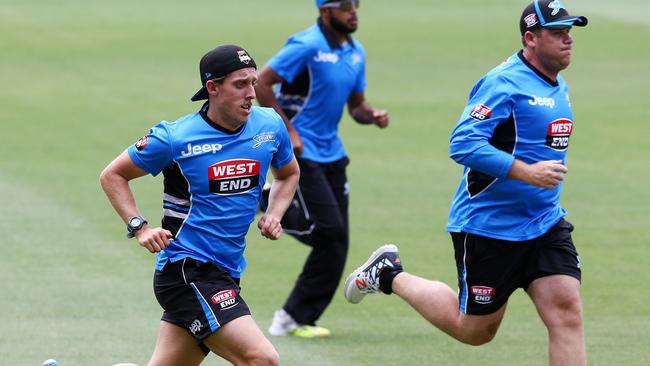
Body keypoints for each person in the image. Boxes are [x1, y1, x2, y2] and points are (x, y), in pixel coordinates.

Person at [343, 1, 588, 365]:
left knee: (567, 314)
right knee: (475, 331)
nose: (568, 40)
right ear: (530, 38)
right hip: (490, 228)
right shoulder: (503, 83)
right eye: (557, 33)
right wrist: (525, 172)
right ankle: (388, 273)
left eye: (569, 32)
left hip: (543, 223)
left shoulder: (557, 83)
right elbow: (463, 143)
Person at [99, 44, 300, 366]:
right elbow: (113, 175)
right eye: (240, 84)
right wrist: (139, 227)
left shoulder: (269, 126)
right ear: (212, 87)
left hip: (226, 270)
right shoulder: (176, 138)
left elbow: (288, 174)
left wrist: (274, 214)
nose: (251, 93)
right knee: (262, 359)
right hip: (187, 271)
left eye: (253, 82)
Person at [254, 0, 389, 338]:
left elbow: (355, 106)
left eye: (356, 4)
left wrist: (371, 115)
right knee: (329, 232)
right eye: (345, 5)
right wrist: (289, 130)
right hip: (301, 153)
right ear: (325, 11)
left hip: (332, 153)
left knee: (336, 241)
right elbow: (260, 83)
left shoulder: (356, 52)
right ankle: (269, 200)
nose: (353, 11)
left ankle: (293, 318)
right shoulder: (306, 45)